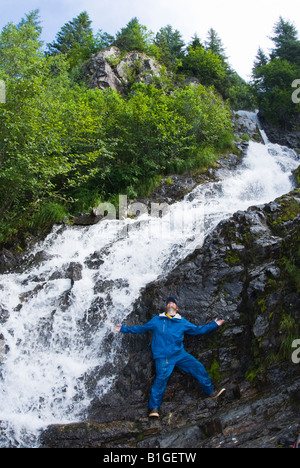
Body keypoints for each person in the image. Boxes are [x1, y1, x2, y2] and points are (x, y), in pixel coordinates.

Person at [115, 297, 226, 418]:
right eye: (168, 302)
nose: (170, 303)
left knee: (198, 367)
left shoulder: (182, 321)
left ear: (177, 308)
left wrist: (214, 325)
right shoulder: (157, 320)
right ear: (166, 307)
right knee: (161, 380)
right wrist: (124, 328)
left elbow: (197, 330)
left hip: (179, 354)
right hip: (163, 357)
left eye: (173, 302)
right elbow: (141, 328)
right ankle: (154, 409)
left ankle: (211, 393)